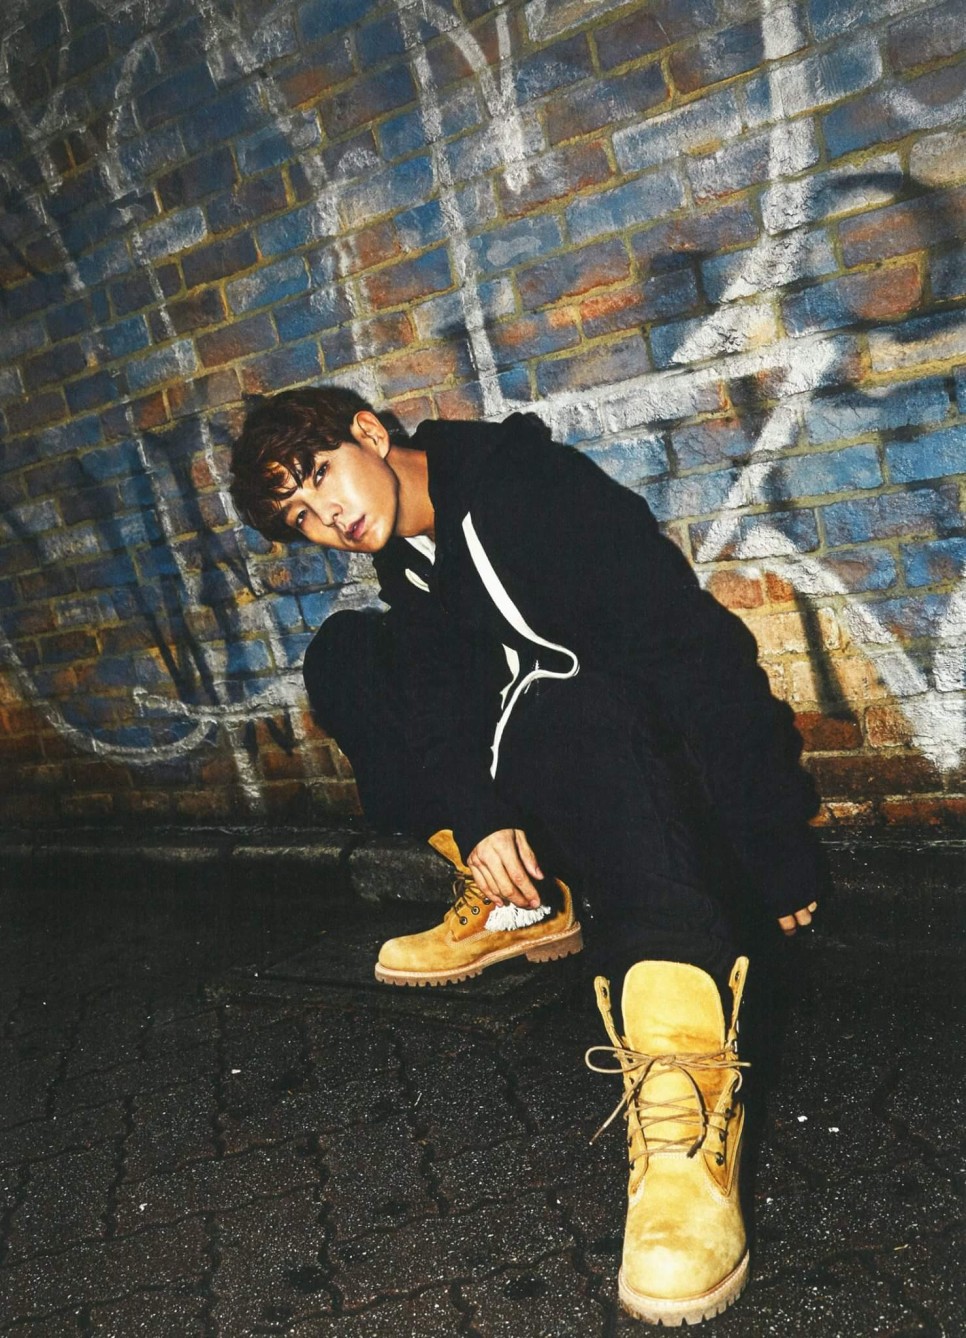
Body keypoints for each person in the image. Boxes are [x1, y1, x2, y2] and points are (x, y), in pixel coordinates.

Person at [230, 385, 824, 1325]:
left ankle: (683, 1119)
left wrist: (773, 839)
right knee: (346, 653)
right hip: (554, 771)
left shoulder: (532, 492)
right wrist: (479, 821)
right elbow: (437, 702)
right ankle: (522, 900)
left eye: (321, 477)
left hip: (645, 775)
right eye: (299, 516)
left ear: (370, 435)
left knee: (568, 703)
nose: (327, 518)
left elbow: (699, 656)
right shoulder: (409, 564)